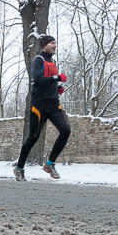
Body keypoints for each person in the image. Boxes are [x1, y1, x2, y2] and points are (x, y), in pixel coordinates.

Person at [13, 34, 71, 181]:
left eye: (55, 43)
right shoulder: (38, 59)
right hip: (39, 105)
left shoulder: (52, 62)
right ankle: (19, 168)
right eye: (52, 43)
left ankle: (50, 164)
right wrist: (57, 78)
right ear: (44, 45)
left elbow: (48, 81)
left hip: (54, 104)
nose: (55, 46)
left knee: (66, 130)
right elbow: (37, 79)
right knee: (33, 138)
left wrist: (57, 88)